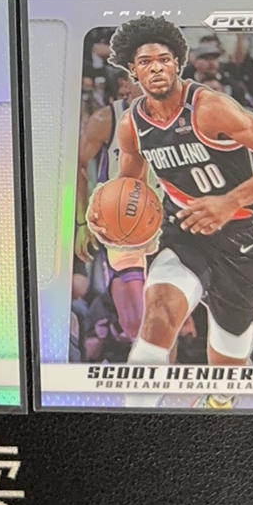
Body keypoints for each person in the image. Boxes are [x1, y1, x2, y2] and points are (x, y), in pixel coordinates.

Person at [92, 15, 253, 409]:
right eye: (145, 62)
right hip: (183, 232)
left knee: (225, 371)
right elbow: (131, 190)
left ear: (177, 63)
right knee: (157, 316)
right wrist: (110, 222)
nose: (156, 67)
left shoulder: (210, 108)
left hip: (240, 239)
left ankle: (217, 402)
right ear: (133, 71)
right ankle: (132, 419)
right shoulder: (131, 125)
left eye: (164, 59)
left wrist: (230, 201)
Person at [73, 73, 150, 342]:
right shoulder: (107, 119)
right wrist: (82, 222)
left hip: (164, 219)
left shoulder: (177, 118)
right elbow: (78, 164)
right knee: (136, 322)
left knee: (162, 320)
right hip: (122, 223)